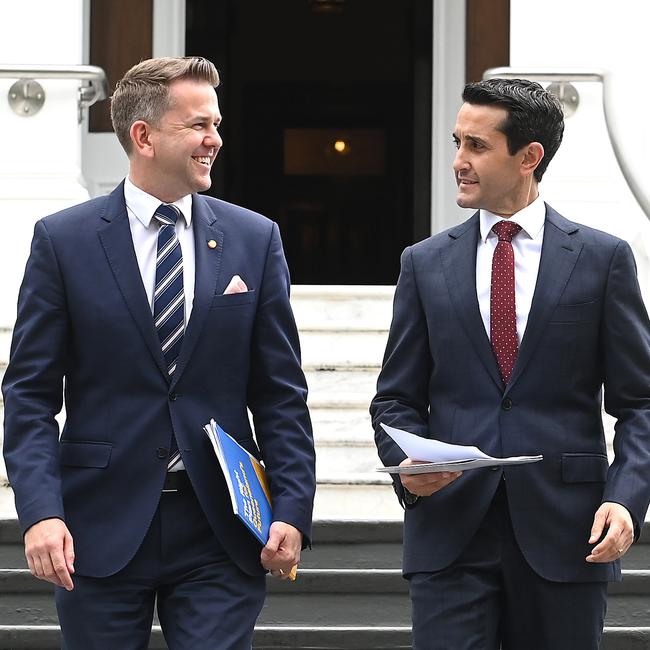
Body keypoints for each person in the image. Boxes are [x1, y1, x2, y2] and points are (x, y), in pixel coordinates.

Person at [2, 56, 316, 650]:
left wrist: (293, 508)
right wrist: (41, 512)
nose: (214, 140)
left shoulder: (255, 238)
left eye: (216, 125)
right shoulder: (62, 242)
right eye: (198, 125)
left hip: (220, 528)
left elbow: (280, 392)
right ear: (143, 136)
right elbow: (29, 396)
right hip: (95, 527)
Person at [370, 78, 650, 649]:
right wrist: (409, 465)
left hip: (569, 532)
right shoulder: (424, 263)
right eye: (457, 142)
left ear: (529, 157)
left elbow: (640, 402)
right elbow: (394, 399)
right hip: (449, 530)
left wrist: (626, 498)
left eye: (477, 146)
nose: (458, 162)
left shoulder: (602, 260)